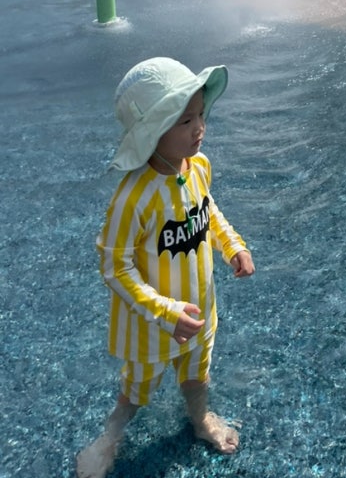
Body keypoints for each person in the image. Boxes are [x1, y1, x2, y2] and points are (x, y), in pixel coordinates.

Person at [76, 57, 255, 478]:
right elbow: (114, 267)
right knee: (136, 391)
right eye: (186, 120)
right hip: (150, 326)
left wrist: (232, 246)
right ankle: (110, 438)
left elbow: (208, 212)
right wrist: (164, 311)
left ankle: (200, 420)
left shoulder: (199, 167)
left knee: (197, 375)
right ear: (152, 131)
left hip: (199, 311)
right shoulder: (133, 198)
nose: (200, 127)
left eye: (201, 114)